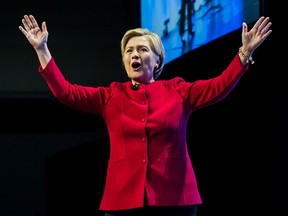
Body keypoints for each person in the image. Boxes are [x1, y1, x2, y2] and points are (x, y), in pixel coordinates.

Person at [19, 14, 272, 216]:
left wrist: (244, 54)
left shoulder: (177, 90)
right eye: (129, 51)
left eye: (142, 49)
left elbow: (219, 87)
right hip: (121, 200)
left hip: (175, 199)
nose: (134, 55)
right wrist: (42, 50)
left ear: (158, 61)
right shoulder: (110, 96)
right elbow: (66, 92)